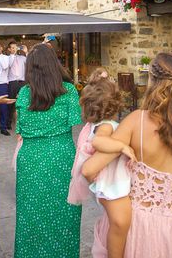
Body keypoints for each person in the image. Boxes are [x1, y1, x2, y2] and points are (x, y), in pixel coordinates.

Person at [82, 52, 172, 258]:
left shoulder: (137, 121)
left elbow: (90, 169)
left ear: (154, 82)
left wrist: (109, 201)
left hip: (135, 230)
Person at [14, 44, 82, 258]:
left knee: (31, 213)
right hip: (61, 155)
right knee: (64, 212)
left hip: (31, 156)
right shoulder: (68, 90)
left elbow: (21, 128)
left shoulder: (24, 93)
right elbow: (76, 120)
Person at [68, 71, 133, 258]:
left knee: (114, 222)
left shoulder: (92, 125)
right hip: (111, 183)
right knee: (119, 224)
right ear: (115, 104)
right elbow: (98, 142)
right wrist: (123, 147)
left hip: (103, 181)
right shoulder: (107, 126)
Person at [7, 41, 27, 132]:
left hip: (22, 82)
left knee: (24, 102)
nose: (14, 48)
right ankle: (8, 122)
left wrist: (26, 52)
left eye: (16, 47)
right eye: (12, 47)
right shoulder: (8, 58)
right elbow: (10, 64)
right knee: (11, 103)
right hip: (12, 82)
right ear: (9, 49)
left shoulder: (22, 58)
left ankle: (24, 122)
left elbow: (29, 62)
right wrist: (13, 55)